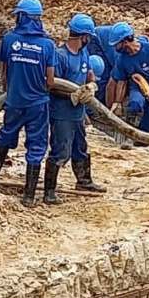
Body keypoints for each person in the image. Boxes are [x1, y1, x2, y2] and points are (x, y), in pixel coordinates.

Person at [0, 0, 58, 207]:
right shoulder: (47, 45)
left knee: (6, 135)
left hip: (14, 102)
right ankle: (28, 196)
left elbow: (4, 72)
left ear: (22, 16)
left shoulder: (9, 39)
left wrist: (10, 91)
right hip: (37, 104)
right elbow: (51, 80)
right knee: (36, 146)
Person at [46, 15, 108, 203]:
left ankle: (84, 180)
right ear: (83, 36)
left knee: (80, 147)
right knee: (60, 150)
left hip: (77, 113)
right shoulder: (61, 56)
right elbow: (53, 85)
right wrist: (73, 95)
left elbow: (89, 75)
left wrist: (91, 86)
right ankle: (49, 191)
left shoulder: (83, 54)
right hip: (62, 113)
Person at [106, 22, 149, 141]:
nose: (115, 48)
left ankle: (143, 143)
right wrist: (117, 102)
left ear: (125, 42)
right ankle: (130, 135)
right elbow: (122, 81)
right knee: (135, 103)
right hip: (137, 88)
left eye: (117, 45)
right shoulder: (121, 59)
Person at [87, 25, 118, 108]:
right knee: (102, 74)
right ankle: (95, 104)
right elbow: (111, 84)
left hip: (102, 40)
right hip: (96, 40)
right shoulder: (122, 56)